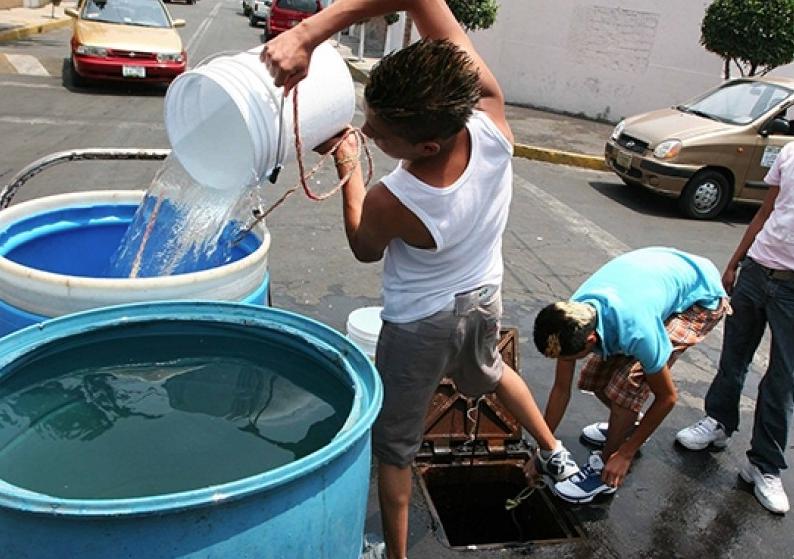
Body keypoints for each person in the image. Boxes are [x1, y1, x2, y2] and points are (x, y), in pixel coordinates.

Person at [262, 1, 578, 557]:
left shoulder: (400, 197)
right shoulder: (491, 115)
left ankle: (396, 554)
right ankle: (555, 450)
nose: (367, 131)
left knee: (396, 448)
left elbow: (364, 247)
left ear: (426, 147)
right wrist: (312, 35)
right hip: (481, 298)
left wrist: (348, 164)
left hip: (420, 326)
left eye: (380, 133)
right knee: (490, 371)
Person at [533, 246, 729, 503]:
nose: (565, 362)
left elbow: (667, 398)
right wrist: (543, 451)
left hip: (699, 298)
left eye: (569, 358)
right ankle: (627, 426)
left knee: (627, 386)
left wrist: (626, 453)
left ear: (591, 339)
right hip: (656, 278)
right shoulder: (572, 315)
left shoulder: (639, 331)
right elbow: (561, 389)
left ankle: (606, 470)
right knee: (598, 380)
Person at [676, 143, 794, 515]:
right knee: (734, 357)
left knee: (782, 379)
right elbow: (768, 209)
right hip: (757, 270)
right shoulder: (791, 151)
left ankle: (763, 465)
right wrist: (736, 261)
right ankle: (719, 422)